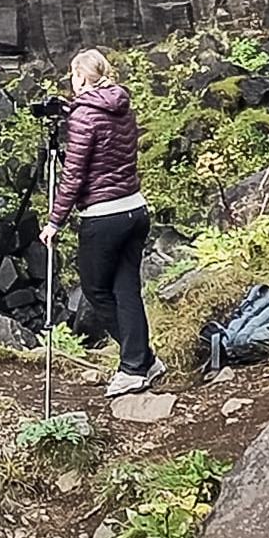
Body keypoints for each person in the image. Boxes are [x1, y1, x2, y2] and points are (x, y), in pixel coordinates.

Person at [45, 45, 160, 395]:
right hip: (135, 210)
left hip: (104, 216)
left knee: (95, 289)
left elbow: (74, 176)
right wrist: (71, 111)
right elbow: (105, 137)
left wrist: (54, 222)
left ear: (80, 76)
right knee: (126, 290)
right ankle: (142, 363)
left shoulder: (83, 116)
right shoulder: (120, 104)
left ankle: (134, 364)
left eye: (72, 75)